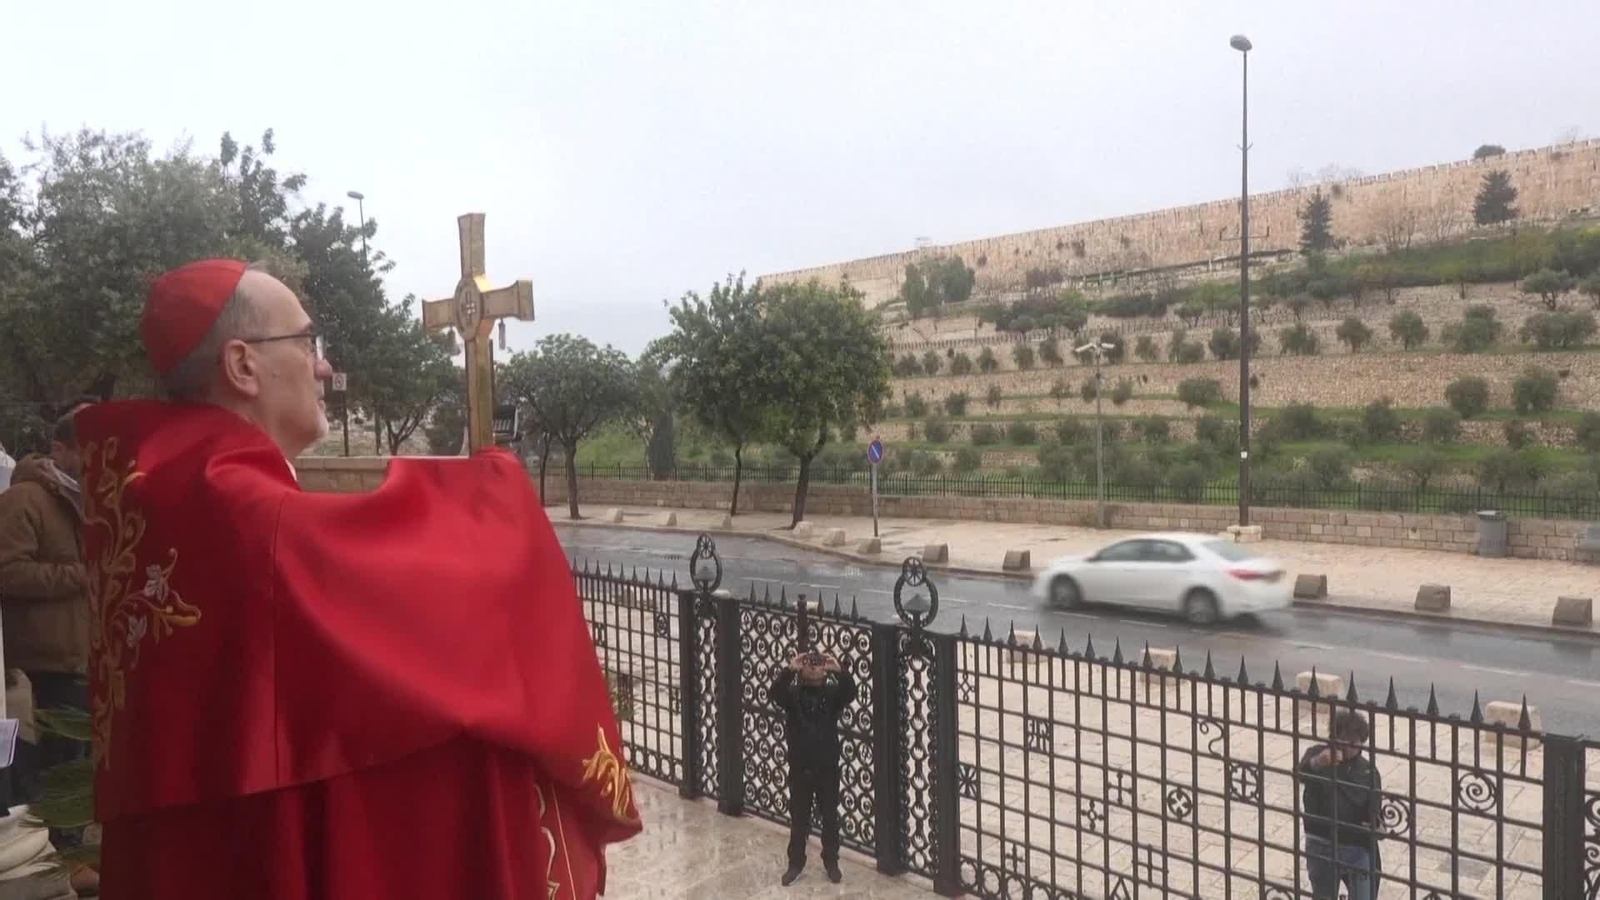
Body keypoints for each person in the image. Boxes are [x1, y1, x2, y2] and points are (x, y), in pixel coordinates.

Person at [73, 258, 641, 899]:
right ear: (242, 366)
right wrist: (494, 493)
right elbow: (415, 586)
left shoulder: (151, 489)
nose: (323, 366)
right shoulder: (239, 510)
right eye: (307, 343)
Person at [0, 408, 99, 896]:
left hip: (92, 648)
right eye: (87, 449)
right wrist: (81, 575)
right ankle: (64, 858)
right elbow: (8, 572)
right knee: (65, 759)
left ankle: (78, 849)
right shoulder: (26, 499)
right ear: (59, 450)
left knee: (88, 755)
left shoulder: (89, 498)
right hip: (54, 652)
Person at [768, 649, 856, 886]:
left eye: (818, 663)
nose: (814, 667)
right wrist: (790, 669)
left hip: (827, 768)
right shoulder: (793, 695)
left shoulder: (832, 694)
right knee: (799, 818)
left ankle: (831, 862)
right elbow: (774, 694)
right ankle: (795, 863)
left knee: (830, 818)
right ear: (802, 670)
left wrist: (839, 670)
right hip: (801, 768)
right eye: (809, 663)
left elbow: (850, 692)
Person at [1298, 710, 1383, 900]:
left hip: (1355, 846)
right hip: (1321, 841)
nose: (1348, 747)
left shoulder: (1368, 770)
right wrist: (1319, 762)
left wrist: (1376, 825)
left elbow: (1374, 810)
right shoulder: (1317, 754)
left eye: (1354, 742)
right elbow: (1301, 773)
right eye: (1343, 739)